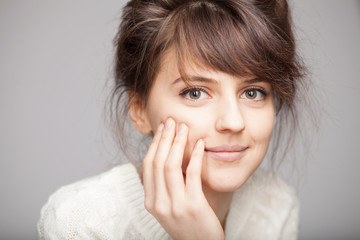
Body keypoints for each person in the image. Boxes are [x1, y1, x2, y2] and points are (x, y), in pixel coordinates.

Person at [38, 0, 308, 239]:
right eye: (195, 92)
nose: (233, 121)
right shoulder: (80, 224)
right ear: (139, 110)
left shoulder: (275, 206)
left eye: (253, 92)